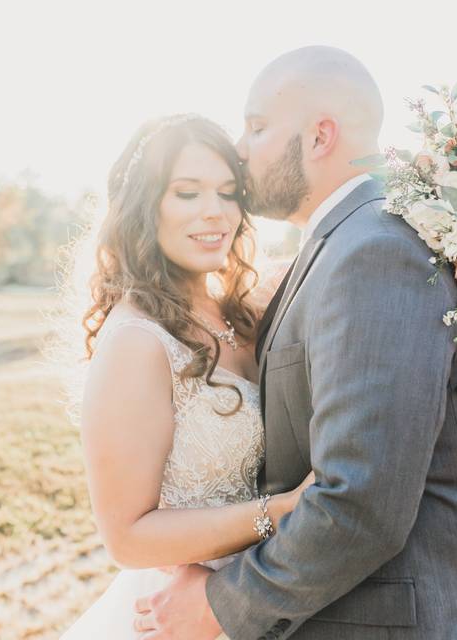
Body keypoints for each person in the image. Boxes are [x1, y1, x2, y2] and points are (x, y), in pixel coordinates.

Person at [133, 46, 457, 640]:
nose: (241, 150)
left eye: (257, 127)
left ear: (320, 135)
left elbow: (361, 502)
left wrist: (220, 604)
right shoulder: (342, 242)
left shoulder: (373, 250)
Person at [59, 114, 311, 640]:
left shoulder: (243, 307)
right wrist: (279, 513)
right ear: (143, 207)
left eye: (227, 191)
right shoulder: (138, 342)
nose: (215, 212)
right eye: (187, 193)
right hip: (184, 616)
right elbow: (126, 537)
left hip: (259, 600)